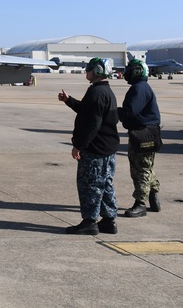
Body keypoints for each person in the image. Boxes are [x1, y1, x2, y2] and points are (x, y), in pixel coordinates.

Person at [58, 57, 121, 235]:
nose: (87, 71)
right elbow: (88, 112)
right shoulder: (104, 91)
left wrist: (78, 145)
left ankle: (89, 221)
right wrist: (69, 101)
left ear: (98, 71)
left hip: (95, 150)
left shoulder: (96, 93)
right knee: (106, 184)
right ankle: (109, 220)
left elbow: (92, 124)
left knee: (90, 185)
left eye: (89, 69)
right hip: (107, 149)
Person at [117, 58, 161, 217]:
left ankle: (140, 203)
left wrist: (114, 113)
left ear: (136, 71)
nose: (126, 72)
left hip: (142, 134)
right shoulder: (143, 87)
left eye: (129, 69)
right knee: (146, 165)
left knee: (139, 168)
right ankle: (153, 193)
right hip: (148, 132)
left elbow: (130, 111)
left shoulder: (139, 89)